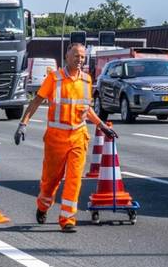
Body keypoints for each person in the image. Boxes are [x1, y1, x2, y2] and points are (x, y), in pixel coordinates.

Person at [14, 43, 118, 233]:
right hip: (56, 139)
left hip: (78, 136)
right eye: (76, 56)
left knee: (74, 179)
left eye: (83, 57)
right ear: (67, 57)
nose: (80, 60)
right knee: (51, 181)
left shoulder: (86, 80)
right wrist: (23, 124)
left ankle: (67, 219)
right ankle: (43, 206)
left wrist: (102, 126)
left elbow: (86, 109)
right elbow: (36, 101)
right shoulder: (54, 79)